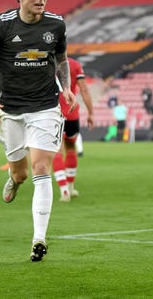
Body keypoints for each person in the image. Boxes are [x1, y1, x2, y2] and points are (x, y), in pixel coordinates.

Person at [0, 0, 77, 262]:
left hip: (45, 108)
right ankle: (15, 181)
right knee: (20, 172)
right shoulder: (2, 25)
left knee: (41, 166)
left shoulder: (56, 24)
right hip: (11, 111)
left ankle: (38, 239)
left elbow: (61, 59)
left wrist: (66, 88)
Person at [52, 57, 94, 202]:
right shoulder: (75, 64)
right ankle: (70, 188)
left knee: (57, 150)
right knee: (71, 149)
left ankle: (64, 191)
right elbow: (84, 90)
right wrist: (91, 113)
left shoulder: (47, 61)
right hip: (72, 112)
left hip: (53, 113)